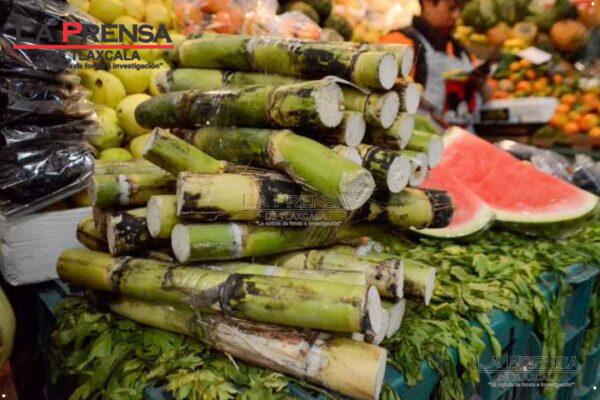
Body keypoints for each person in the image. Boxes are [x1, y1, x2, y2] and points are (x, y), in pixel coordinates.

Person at [380, 0, 481, 127]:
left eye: (459, 9)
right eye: (451, 8)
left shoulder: (460, 50)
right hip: (424, 135)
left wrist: (479, 83)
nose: (456, 15)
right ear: (427, 3)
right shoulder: (398, 42)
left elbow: (487, 94)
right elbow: (386, 101)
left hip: (464, 134)